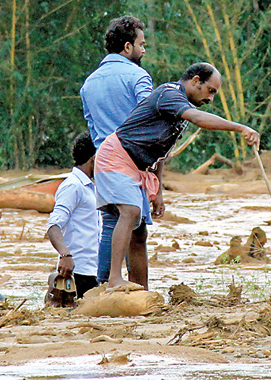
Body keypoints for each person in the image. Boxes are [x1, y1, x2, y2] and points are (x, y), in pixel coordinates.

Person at [95, 62, 260, 290]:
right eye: (210, 91)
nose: (211, 99)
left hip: (139, 166)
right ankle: (114, 279)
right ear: (195, 81)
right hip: (116, 157)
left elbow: (160, 152)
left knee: (140, 230)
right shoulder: (169, 94)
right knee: (131, 212)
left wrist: (158, 192)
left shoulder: (178, 109)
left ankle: (141, 290)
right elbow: (200, 119)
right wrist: (241, 128)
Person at [80, 15, 152, 285]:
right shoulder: (138, 76)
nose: (143, 50)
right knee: (131, 221)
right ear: (127, 47)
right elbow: (151, 118)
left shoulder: (89, 83)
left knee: (123, 225)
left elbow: (92, 127)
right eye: (141, 44)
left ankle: (107, 285)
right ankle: (114, 283)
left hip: (103, 162)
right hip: (130, 161)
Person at [46, 132, 101, 299]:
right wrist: (65, 255)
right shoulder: (72, 186)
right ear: (94, 158)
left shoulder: (90, 187)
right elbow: (54, 226)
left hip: (92, 270)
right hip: (79, 271)